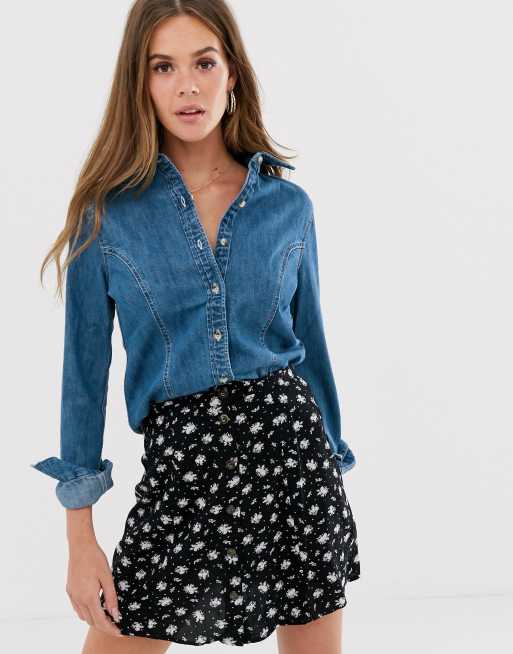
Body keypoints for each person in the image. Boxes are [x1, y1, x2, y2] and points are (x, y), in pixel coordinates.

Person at [31, 0, 360, 651]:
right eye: (164, 67)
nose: (187, 85)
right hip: (182, 472)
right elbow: (83, 379)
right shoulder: (107, 216)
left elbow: (312, 349)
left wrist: (333, 470)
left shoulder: (288, 206)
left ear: (231, 73)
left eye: (203, 63)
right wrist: (80, 539)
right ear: (140, 82)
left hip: (295, 465)